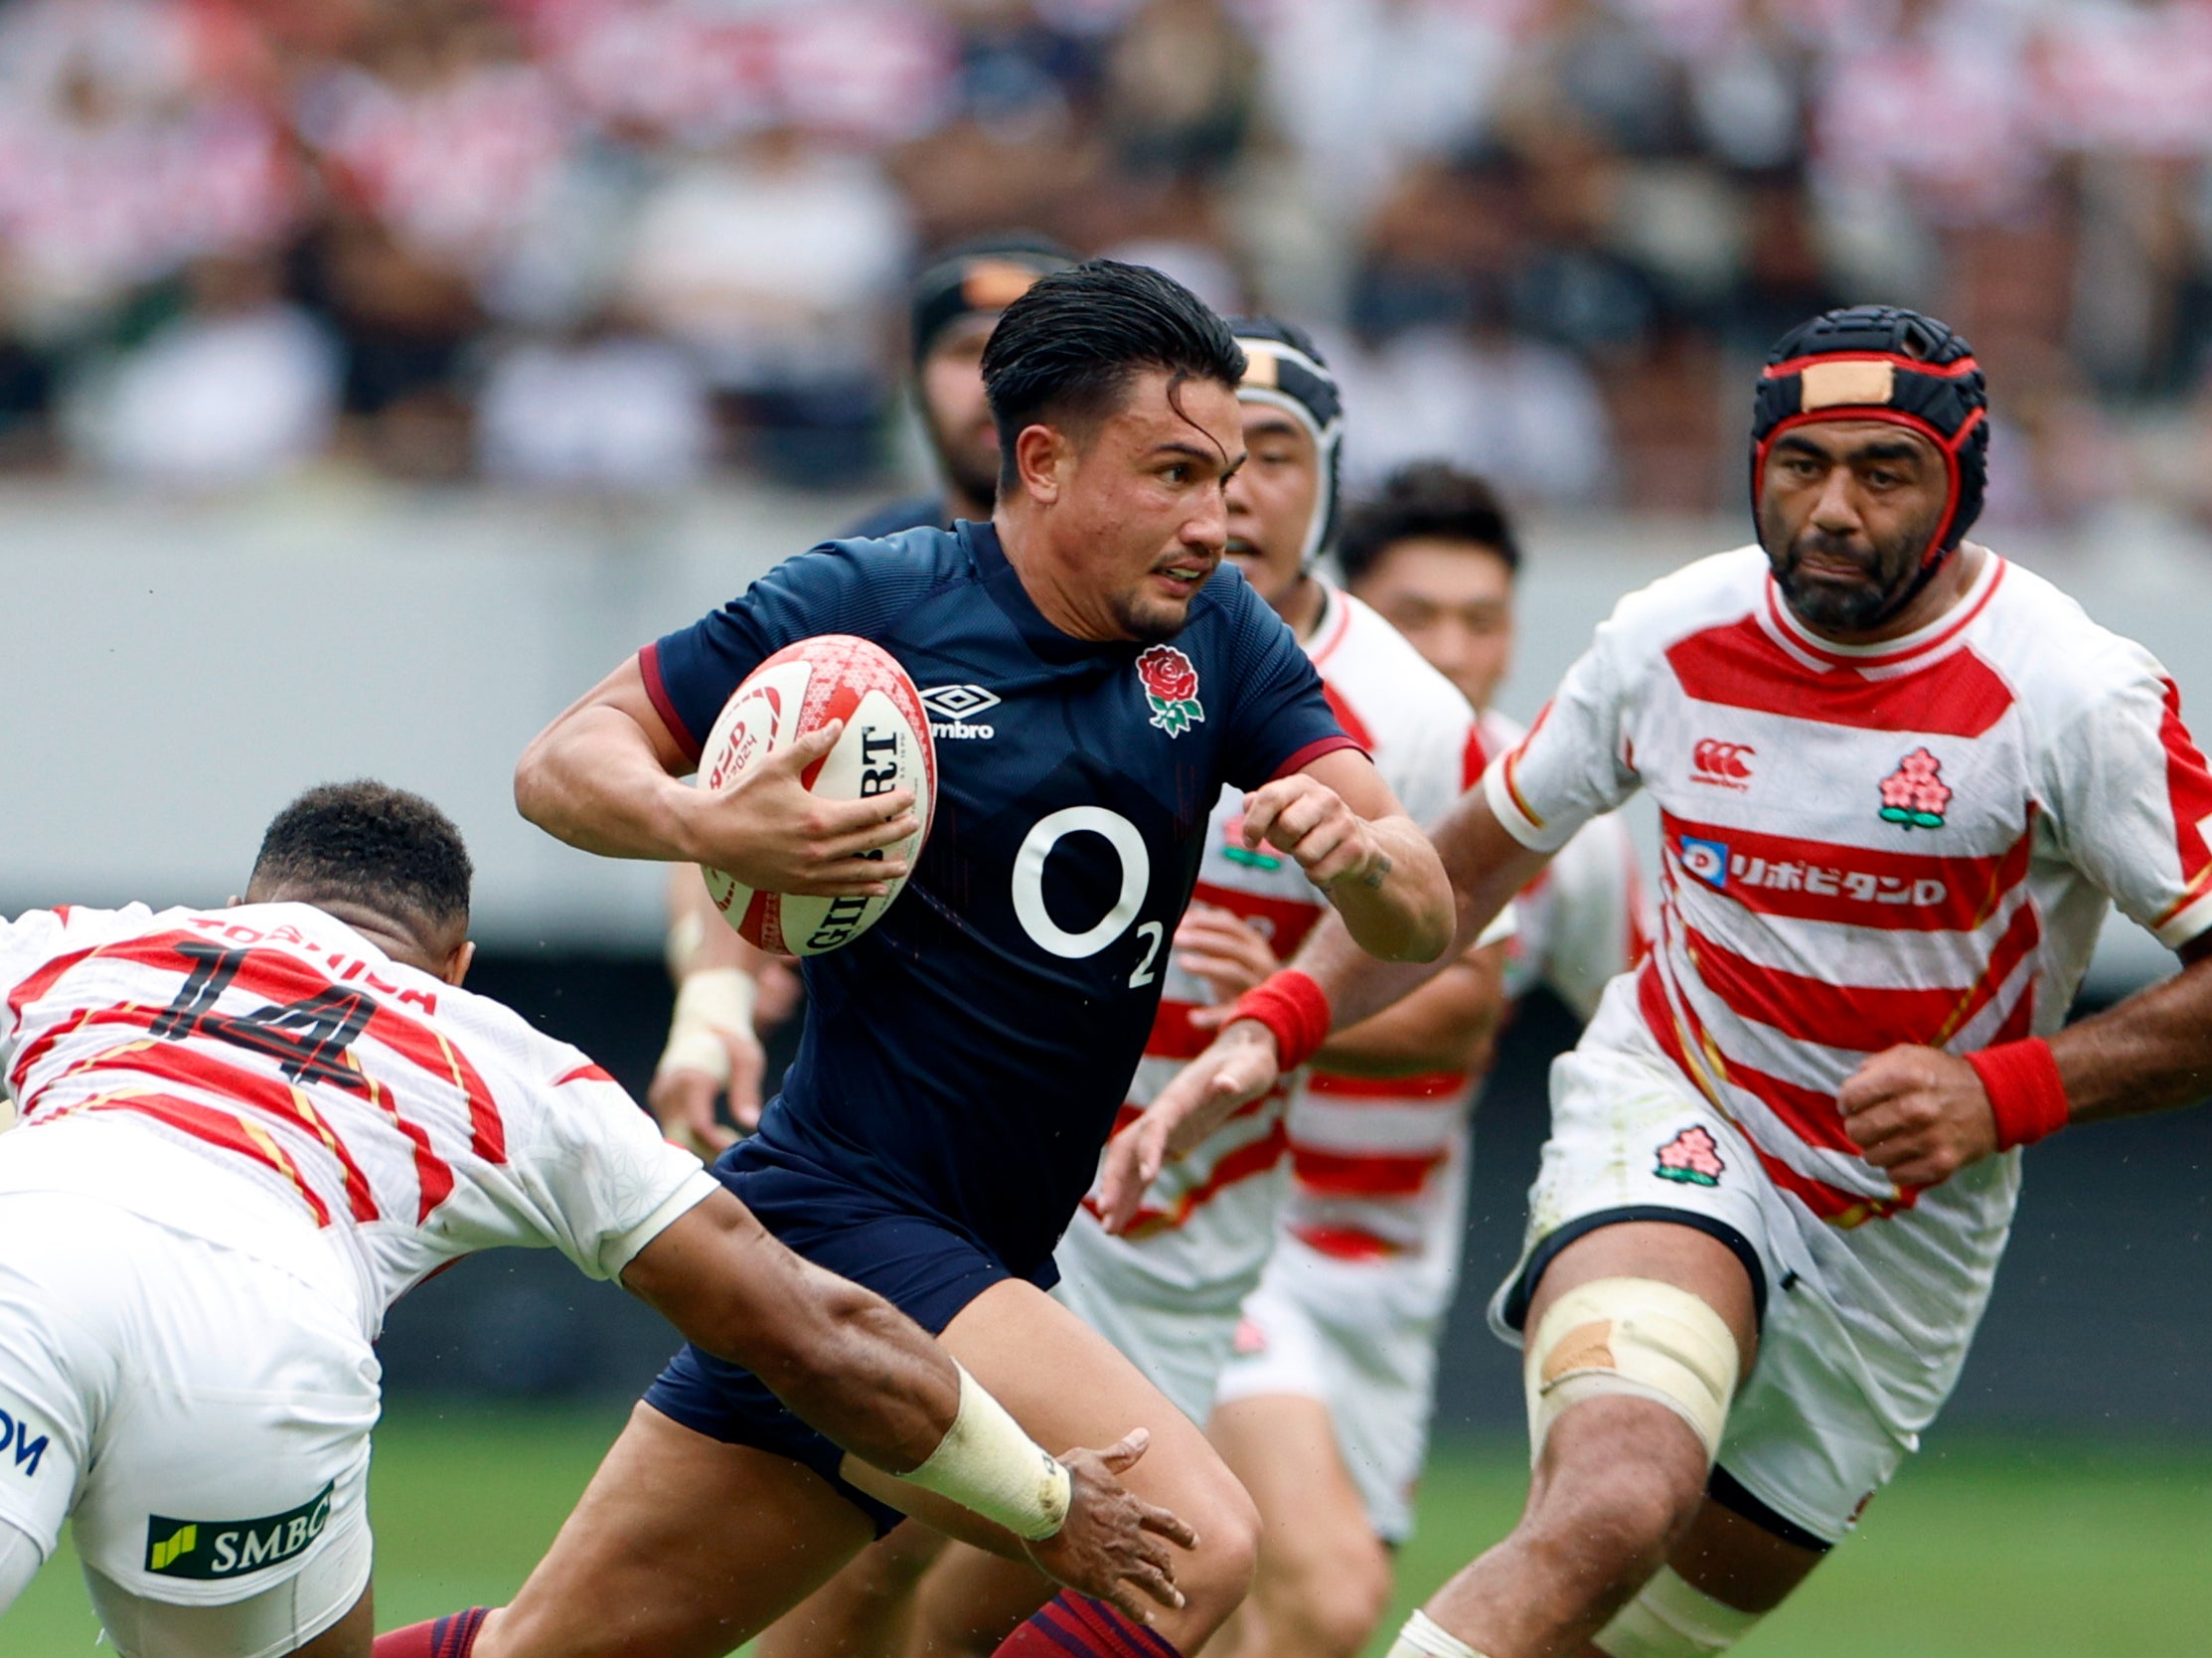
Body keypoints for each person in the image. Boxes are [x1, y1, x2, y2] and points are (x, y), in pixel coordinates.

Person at [1120, 305, 2212, 1658]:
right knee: (1611, 1502)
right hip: (1679, 1114)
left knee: (1621, 1635)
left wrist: (2007, 1092)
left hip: (1903, 1230)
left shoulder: (2072, 692)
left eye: (1883, 473)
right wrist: (1278, 1025)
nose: (1830, 509)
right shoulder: (1666, 638)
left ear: (1961, 486)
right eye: (1799, 467)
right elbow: (1461, 871)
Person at [444, 259, 1453, 1658]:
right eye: (1173, 474)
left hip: (958, 1246)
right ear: (1040, 461)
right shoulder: (874, 600)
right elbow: (562, 762)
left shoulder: (1219, 635)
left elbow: (1423, 901)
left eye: (1225, 478)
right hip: (851, 1213)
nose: (1217, 522)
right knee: (1191, 1549)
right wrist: (700, 818)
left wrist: (1355, 857)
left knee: (546, 1650)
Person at [0, 782, 1189, 1658]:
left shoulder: (76, 946)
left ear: (242, 906)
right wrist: (1043, 1497)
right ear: (457, 963)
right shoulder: (506, 1062)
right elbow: (806, 1327)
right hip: (255, 1350)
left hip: (29, 1269)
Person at [891, 324, 1513, 1658]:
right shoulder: (1039, 628)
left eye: (1271, 456)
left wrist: (1287, 1000)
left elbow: (1458, 972)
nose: (1236, 494)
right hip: (984, 1190)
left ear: (1327, 480)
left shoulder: (1403, 716)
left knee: (1036, 1586)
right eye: (1191, 462)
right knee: (882, 1551)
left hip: (1192, 1236)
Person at [1202, 464, 1650, 1658]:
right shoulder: (1270, 772)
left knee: (1254, 1618)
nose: (1454, 648)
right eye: (1419, 617)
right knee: (1327, 1590)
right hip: (1239, 1245)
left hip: (1391, 1285)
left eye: (1483, 618)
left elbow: (1651, 1028)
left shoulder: (1559, 828)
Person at [649, 234, 1077, 1163]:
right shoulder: (853, 587)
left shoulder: (1165, 598)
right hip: (903, 1108)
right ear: (913, 377)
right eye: (967, 352)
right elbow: (718, 791)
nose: (994, 382)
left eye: (1026, 352)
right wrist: (714, 1003)